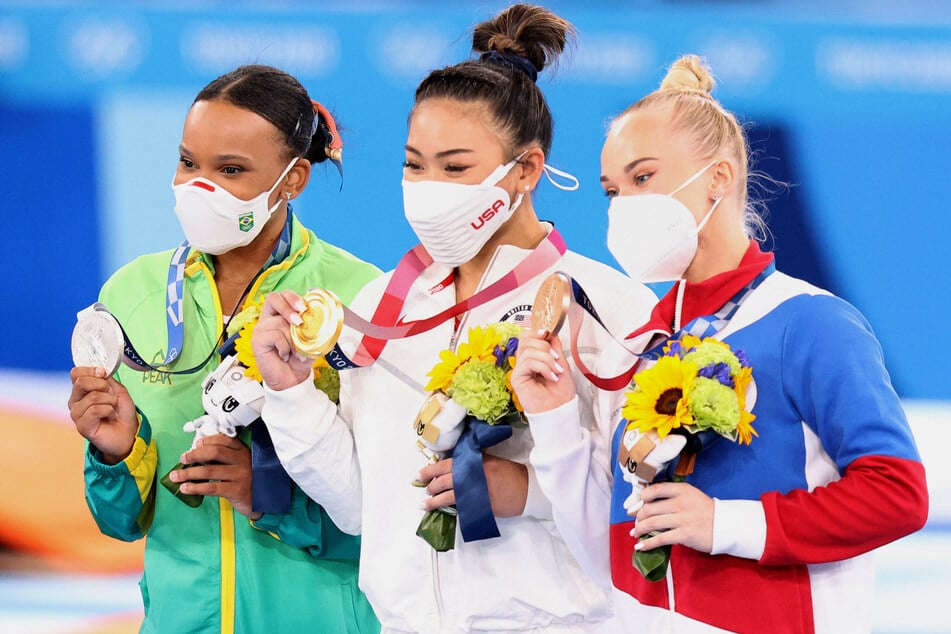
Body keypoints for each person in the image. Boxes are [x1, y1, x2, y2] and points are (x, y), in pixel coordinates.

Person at [252, 5, 657, 632]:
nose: (427, 185)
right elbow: (363, 507)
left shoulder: (606, 306)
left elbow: (641, 500)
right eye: (415, 164)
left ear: (526, 169)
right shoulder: (378, 309)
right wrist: (290, 394)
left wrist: (528, 493)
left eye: (455, 166)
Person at [512, 54, 929, 633]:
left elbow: (898, 495)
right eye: (612, 191)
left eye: (642, 178)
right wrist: (554, 417)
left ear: (718, 178)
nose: (623, 207)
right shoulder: (639, 346)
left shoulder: (809, 322)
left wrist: (726, 524)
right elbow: (612, 564)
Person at [67, 65, 381, 633]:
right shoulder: (132, 294)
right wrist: (115, 455)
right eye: (189, 163)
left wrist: (267, 495)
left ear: (293, 179)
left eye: (230, 170)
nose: (199, 187)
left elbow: (392, 524)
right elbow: (121, 525)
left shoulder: (358, 298)